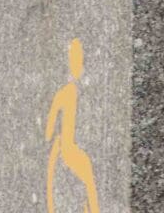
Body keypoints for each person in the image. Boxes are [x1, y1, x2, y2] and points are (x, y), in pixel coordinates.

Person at [45, 39, 100, 213]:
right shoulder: (69, 94)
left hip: (69, 148)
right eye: (75, 60)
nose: (78, 66)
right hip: (67, 149)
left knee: (86, 183)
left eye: (79, 60)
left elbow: (49, 131)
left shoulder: (70, 94)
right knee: (88, 180)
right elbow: (49, 130)